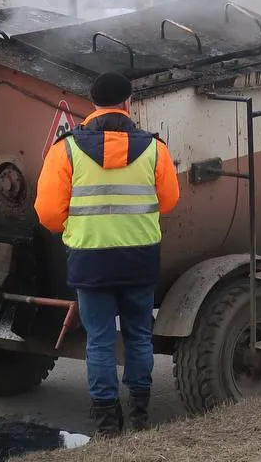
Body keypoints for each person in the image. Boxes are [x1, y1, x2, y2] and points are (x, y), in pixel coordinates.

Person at [34, 71, 180, 437]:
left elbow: (48, 214)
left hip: (91, 261)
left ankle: (107, 423)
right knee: (139, 336)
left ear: (93, 104)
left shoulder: (65, 149)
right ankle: (140, 414)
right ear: (129, 102)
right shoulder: (155, 148)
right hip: (139, 259)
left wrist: (74, 228)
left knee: (99, 340)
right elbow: (169, 201)